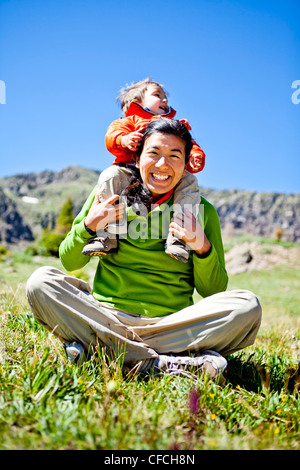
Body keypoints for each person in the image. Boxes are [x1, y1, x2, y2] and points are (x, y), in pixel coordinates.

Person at [26, 119, 261, 383]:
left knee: (247, 306)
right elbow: (68, 261)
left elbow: (214, 291)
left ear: (185, 166)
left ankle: (105, 352)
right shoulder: (109, 195)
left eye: (174, 156)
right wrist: (90, 225)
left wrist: (202, 247)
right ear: (137, 159)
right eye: (154, 153)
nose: (163, 165)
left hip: (171, 325)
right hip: (107, 316)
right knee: (40, 282)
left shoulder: (202, 211)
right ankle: (163, 362)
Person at [82, 78, 206, 263]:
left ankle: (179, 237)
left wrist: (196, 156)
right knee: (109, 176)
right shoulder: (130, 121)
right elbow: (112, 136)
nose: (164, 101)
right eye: (157, 96)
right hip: (128, 171)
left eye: (165, 98)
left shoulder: (176, 127)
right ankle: (106, 234)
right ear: (137, 102)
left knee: (189, 181)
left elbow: (191, 145)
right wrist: (124, 140)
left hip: (165, 177)